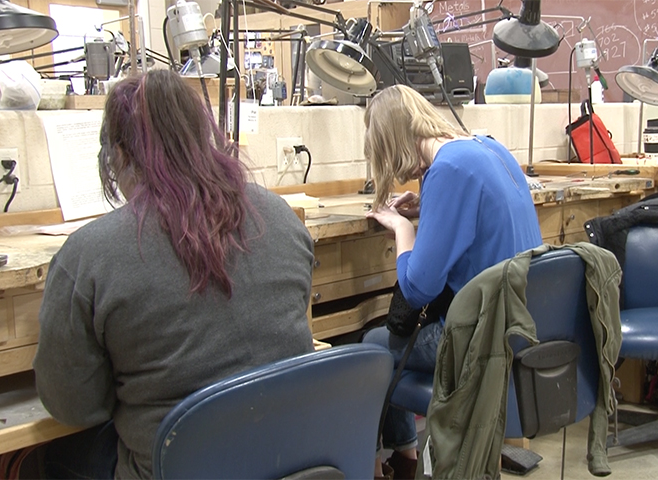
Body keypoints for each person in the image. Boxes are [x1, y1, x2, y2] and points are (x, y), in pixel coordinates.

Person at [33, 69, 315, 479]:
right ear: (202, 135)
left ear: (120, 156)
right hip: (290, 461)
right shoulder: (281, 217)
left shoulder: (89, 255)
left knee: (60, 453)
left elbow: (73, 407)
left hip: (178, 468)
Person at [360, 85, 542, 479]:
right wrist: (430, 206)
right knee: (389, 337)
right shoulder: (487, 147)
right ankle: (406, 456)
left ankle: (381, 464)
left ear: (393, 142)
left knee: (372, 346)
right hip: (522, 322)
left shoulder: (446, 170)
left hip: (482, 338)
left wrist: (403, 228)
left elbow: (418, 289)